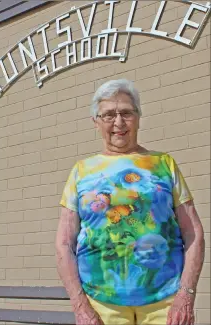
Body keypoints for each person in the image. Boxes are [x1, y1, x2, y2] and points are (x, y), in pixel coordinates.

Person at [55, 79, 205, 325]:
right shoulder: (81, 172)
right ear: (96, 122)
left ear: (138, 116)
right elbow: (63, 243)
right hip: (101, 304)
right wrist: (80, 305)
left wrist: (186, 295)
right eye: (108, 115)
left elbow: (194, 233)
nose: (118, 123)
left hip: (165, 303)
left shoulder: (164, 164)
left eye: (126, 113)